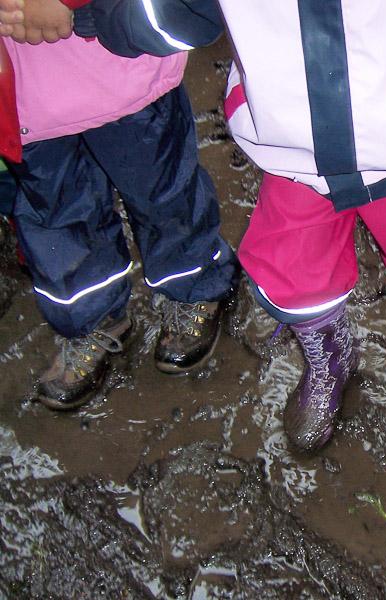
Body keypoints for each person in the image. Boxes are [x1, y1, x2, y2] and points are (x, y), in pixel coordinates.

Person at [27, 0, 386, 449]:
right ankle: (328, 347)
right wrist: (88, 15)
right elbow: (180, 6)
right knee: (292, 268)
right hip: (294, 144)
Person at [0, 0, 237, 410]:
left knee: (164, 195)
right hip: (27, 101)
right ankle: (91, 319)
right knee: (58, 219)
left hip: (121, 66)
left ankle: (195, 285)